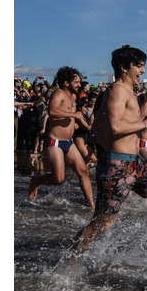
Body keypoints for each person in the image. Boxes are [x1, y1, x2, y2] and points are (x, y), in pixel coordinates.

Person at [60, 45, 147, 271]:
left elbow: (97, 124)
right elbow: (114, 126)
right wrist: (140, 127)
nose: (143, 71)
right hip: (117, 164)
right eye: (139, 66)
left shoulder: (129, 94)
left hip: (135, 163)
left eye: (143, 65)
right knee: (102, 224)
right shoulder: (116, 90)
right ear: (124, 68)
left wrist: (111, 145)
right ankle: (67, 265)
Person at [28, 66, 95, 208]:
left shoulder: (73, 96)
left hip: (69, 142)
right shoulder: (58, 94)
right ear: (66, 82)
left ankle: (91, 205)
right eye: (76, 82)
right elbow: (52, 112)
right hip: (54, 142)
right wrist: (73, 115)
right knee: (58, 179)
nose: (79, 84)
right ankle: (36, 180)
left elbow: (70, 113)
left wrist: (75, 123)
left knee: (84, 172)